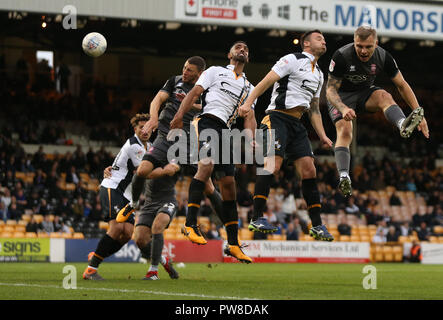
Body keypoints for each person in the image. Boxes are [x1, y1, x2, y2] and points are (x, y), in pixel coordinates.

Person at [238, 30, 334, 241]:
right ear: (306, 44)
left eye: (324, 38)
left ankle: (317, 225)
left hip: (297, 125)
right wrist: (247, 103)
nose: (324, 40)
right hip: (277, 118)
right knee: (273, 164)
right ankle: (256, 216)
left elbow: (315, 109)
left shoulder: (319, 73)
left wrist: (323, 135)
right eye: (319, 38)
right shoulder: (292, 59)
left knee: (309, 170)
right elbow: (265, 81)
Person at [117, 56, 224, 245]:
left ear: (200, 73)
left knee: (208, 186)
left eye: (190, 70)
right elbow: (157, 99)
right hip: (165, 135)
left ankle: (230, 226)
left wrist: (190, 102)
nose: (185, 71)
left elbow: (209, 108)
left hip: (189, 141)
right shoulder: (174, 81)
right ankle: (133, 204)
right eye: (184, 67)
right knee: (142, 171)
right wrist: (153, 119)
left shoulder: (207, 88)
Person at [170, 41, 257, 263]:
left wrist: (250, 138)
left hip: (226, 132)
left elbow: (249, 116)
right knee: (206, 166)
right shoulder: (215, 72)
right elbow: (194, 94)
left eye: (246, 49)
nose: (242, 50)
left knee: (229, 186)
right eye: (238, 47)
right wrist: (180, 115)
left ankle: (234, 244)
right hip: (207, 121)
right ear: (229, 54)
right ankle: (190, 224)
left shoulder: (249, 87)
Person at [326, 26, 429, 197]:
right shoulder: (341, 56)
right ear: (354, 42)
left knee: (384, 95)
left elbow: (402, 85)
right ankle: (344, 175)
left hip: (365, 93)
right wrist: (343, 108)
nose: (363, 51)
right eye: (359, 46)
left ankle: (402, 123)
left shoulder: (384, 56)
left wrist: (419, 112)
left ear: (376, 43)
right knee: (345, 130)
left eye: (368, 46)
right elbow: (330, 90)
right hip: (341, 97)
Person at [83, 114, 153, 280]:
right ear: (134, 129)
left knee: (127, 233)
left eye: (147, 127)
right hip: (113, 187)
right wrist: (168, 170)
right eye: (140, 127)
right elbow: (145, 172)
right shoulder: (134, 145)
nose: (144, 130)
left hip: (127, 196)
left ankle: (95, 256)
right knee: (116, 228)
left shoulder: (148, 146)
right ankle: (91, 269)